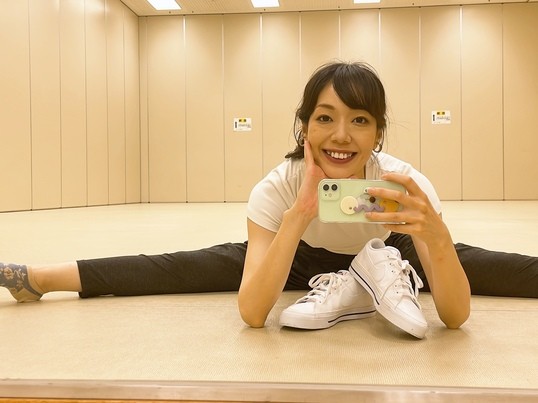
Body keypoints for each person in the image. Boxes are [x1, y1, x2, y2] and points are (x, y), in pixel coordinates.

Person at [1, 62, 537, 338]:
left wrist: (436, 236)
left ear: (378, 133)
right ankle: (40, 277)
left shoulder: (403, 183)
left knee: (489, 266)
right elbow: (254, 314)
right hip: (299, 250)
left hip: (390, 250)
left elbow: (455, 318)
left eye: (359, 120)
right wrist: (298, 215)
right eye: (325, 118)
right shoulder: (278, 185)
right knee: (183, 266)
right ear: (305, 126)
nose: (341, 136)